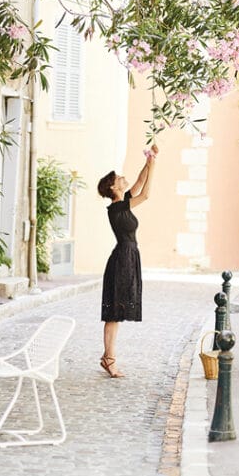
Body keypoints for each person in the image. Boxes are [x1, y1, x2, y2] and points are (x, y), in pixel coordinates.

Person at [95, 144, 158, 378]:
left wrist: (150, 161)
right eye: (118, 178)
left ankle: (107, 357)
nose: (123, 178)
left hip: (127, 257)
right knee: (114, 312)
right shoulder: (116, 208)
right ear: (113, 187)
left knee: (117, 311)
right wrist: (154, 165)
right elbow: (146, 194)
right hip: (122, 260)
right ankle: (109, 359)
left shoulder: (123, 203)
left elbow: (139, 183)